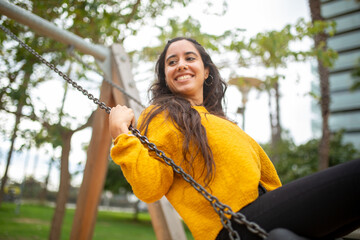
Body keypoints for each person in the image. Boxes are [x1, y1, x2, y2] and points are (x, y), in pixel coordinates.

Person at [109, 37, 360, 240]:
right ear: (165, 76)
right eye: (171, 62)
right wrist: (121, 132)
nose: (181, 64)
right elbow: (150, 187)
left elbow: (268, 180)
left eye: (189, 58)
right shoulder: (162, 115)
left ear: (206, 71)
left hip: (267, 216)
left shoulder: (222, 122)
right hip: (234, 223)